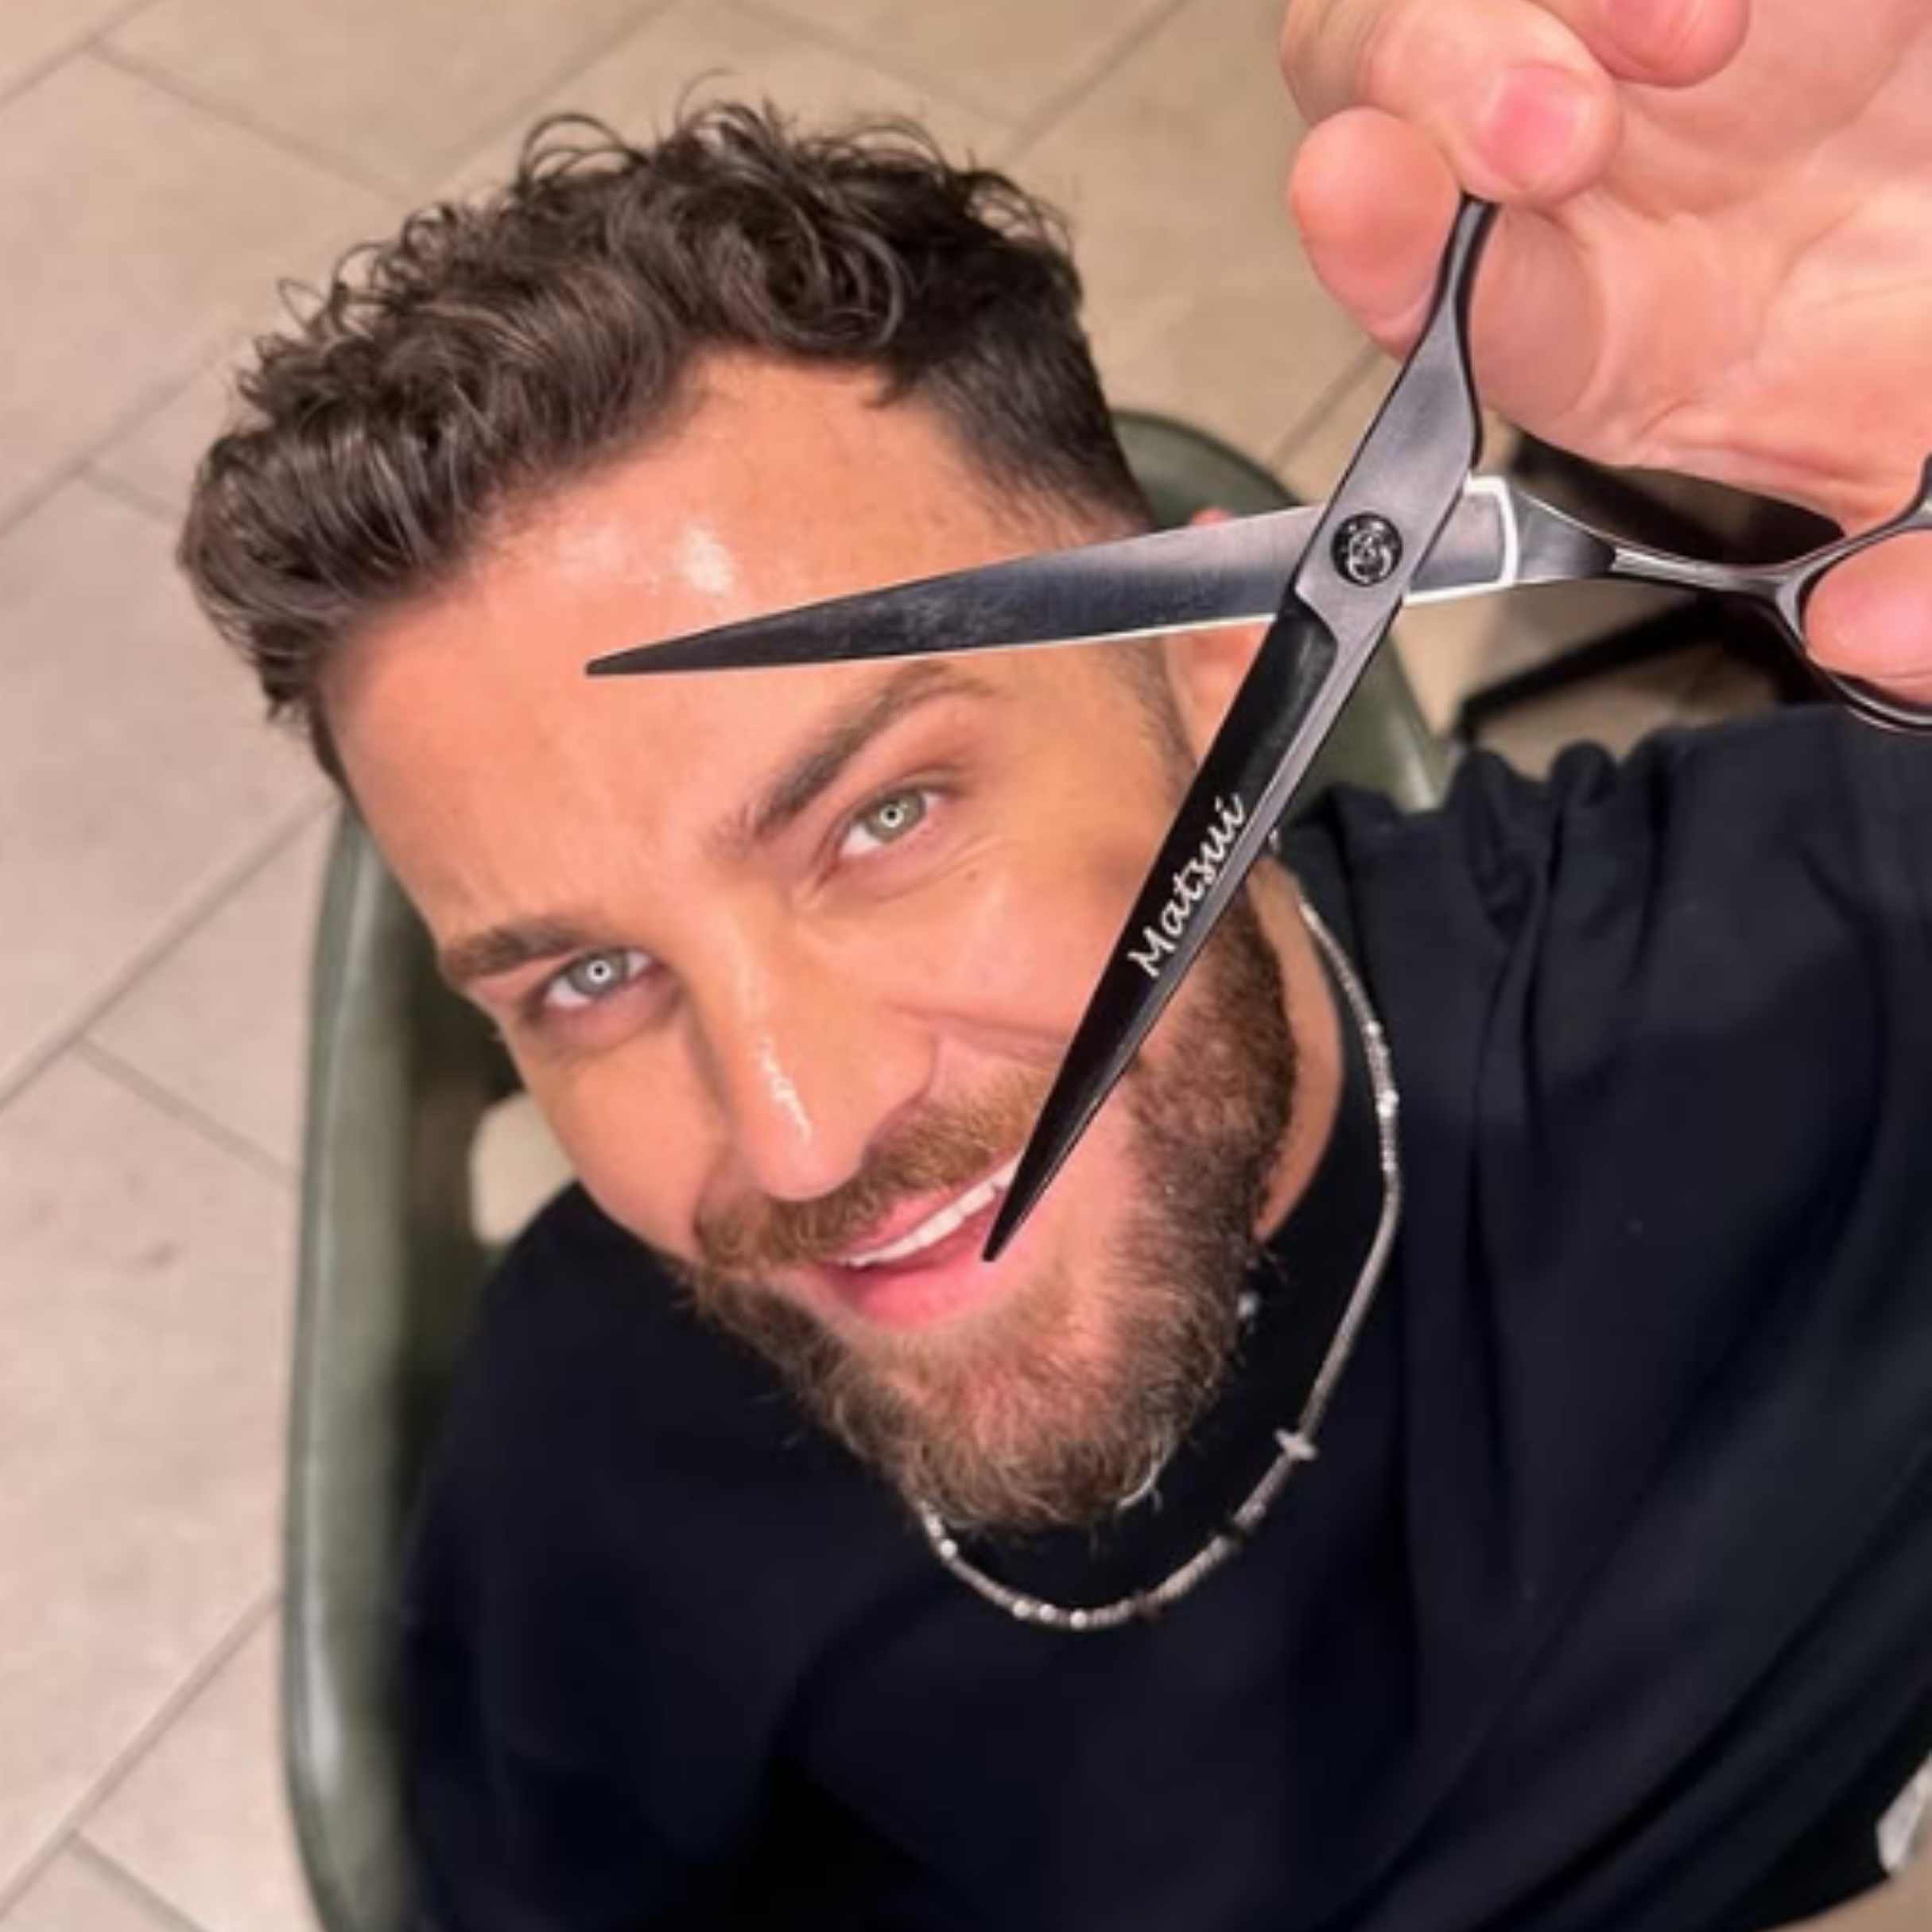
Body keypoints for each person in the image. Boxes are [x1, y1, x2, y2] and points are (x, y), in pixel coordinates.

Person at [180, 1, 1931, 1926]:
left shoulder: (1802, 975)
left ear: (1214, 665)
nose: (792, 1137)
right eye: (584, 981)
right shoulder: (588, 1490)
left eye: (884, 819)